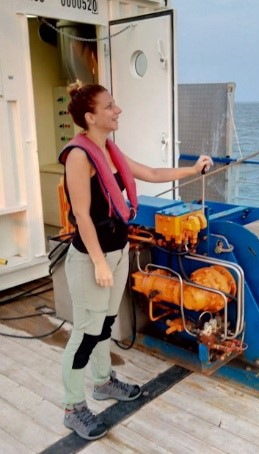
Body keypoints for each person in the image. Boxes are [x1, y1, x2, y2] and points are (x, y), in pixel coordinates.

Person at [59, 81, 212, 440]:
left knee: (105, 325)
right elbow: (81, 215)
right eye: (110, 105)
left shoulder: (109, 151)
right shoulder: (79, 156)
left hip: (117, 252)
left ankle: (101, 382)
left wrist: (192, 170)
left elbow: (153, 174)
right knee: (84, 333)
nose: (118, 110)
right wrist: (98, 262)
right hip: (90, 260)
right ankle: (72, 406)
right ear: (90, 116)